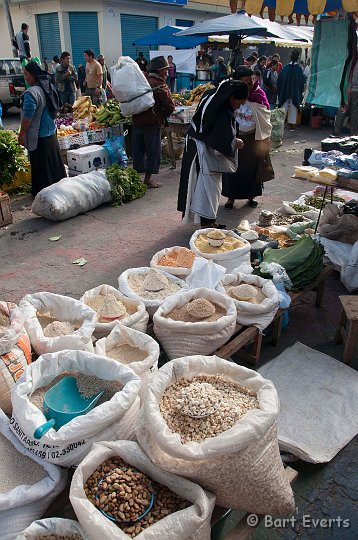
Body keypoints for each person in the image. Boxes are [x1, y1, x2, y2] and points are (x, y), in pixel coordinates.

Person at [177, 79, 249, 228]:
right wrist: (236, 142)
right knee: (206, 187)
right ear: (232, 97)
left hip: (199, 144)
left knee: (205, 186)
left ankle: (207, 221)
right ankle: (207, 223)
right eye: (240, 103)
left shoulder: (213, 96)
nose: (239, 107)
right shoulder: (222, 110)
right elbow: (222, 140)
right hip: (201, 150)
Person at [222, 66, 272, 210]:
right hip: (234, 136)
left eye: (251, 82)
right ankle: (230, 198)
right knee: (232, 168)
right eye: (246, 83)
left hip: (252, 138)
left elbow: (265, 114)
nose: (249, 86)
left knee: (251, 169)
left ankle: (251, 196)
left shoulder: (258, 94)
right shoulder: (230, 94)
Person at [18, 61, 65, 197]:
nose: (25, 77)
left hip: (39, 136)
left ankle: (45, 195)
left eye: (26, 74)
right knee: (53, 166)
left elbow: (28, 117)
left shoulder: (31, 93)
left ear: (33, 75)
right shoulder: (46, 87)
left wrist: (22, 133)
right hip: (50, 134)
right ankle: (59, 191)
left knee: (42, 167)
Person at [132, 56, 175, 189]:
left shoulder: (142, 80)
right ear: (159, 71)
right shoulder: (159, 84)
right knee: (153, 151)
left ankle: (136, 179)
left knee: (138, 150)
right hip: (152, 122)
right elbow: (170, 106)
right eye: (165, 70)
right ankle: (148, 180)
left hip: (136, 121)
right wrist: (163, 114)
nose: (167, 72)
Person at [277, 49, 305, 129]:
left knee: (283, 106)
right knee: (293, 106)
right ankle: (291, 123)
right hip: (294, 92)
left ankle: (281, 122)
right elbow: (301, 82)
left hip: (285, 91)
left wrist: (281, 90)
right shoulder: (299, 69)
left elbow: (279, 80)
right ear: (298, 58)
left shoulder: (285, 68)